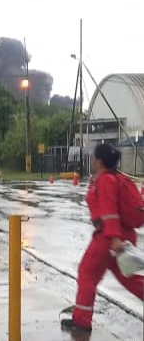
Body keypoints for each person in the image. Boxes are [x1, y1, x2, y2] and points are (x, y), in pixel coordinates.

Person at [61, 143, 144, 336]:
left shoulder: (106, 180)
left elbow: (109, 212)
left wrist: (114, 239)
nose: (91, 160)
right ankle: (81, 319)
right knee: (130, 280)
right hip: (121, 236)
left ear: (99, 161)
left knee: (87, 273)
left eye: (93, 157)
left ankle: (81, 322)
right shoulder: (115, 178)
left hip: (109, 238)